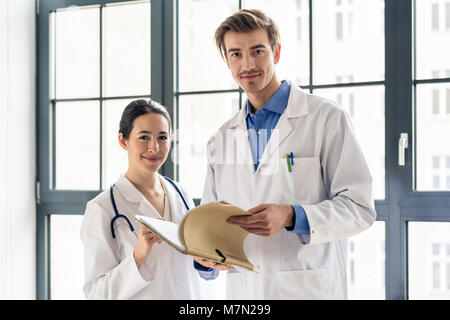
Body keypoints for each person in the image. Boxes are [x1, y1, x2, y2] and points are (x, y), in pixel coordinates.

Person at [196, 9, 377, 299]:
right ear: (226, 60)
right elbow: (209, 227)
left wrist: (293, 216)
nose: (247, 64)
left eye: (257, 51)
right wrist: (205, 259)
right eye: (236, 54)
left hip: (307, 287)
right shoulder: (220, 140)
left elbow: (359, 208)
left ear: (276, 52)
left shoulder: (326, 119)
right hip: (245, 294)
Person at [80, 99, 211, 299]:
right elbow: (96, 294)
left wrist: (209, 258)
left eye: (162, 137)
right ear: (123, 141)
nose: (154, 148)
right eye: (143, 137)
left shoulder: (182, 195)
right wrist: (138, 256)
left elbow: (193, 268)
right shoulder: (103, 208)